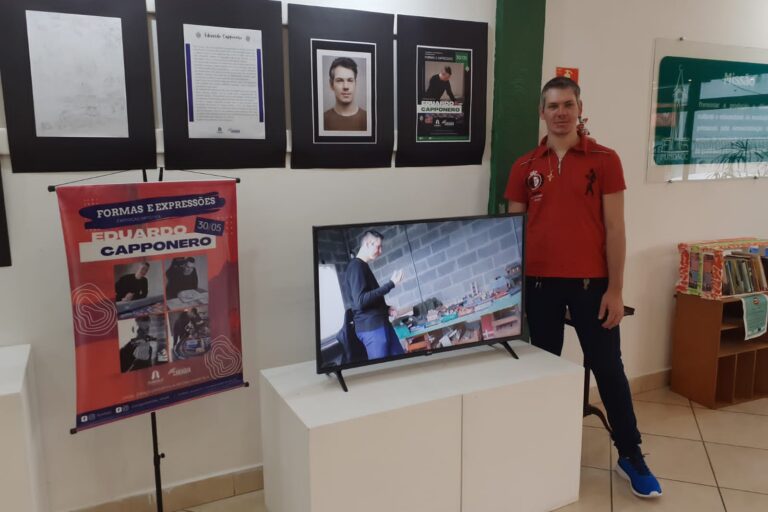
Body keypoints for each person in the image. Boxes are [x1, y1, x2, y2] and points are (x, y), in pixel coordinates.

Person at [504, 76, 662, 499]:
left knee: (608, 368)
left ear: (579, 109)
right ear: (542, 112)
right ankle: (544, 449)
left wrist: (616, 290)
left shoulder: (605, 160)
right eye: (553, 106)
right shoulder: (524, 166)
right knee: (545, 367)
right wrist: (515, 293)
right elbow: (512, 233)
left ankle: (631, 454)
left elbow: (616, 229)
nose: (561, 113)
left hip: (593, 287)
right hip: (539, 285)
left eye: (568, 105)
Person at [345, 230, 405, 359]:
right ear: (368, 243)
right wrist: (391, 284)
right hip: (372, 329)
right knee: (382, 369)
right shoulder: (356, 267)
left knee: (401, 362)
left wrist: (386, 309)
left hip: (381, 324)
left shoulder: (363, 266)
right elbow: (360, 301)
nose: (380, 251)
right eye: (378, 247)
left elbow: (369, 298)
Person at [323, 57, 367, 131]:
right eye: (339, 80)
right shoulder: (322, 120)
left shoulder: (368, 118)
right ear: (331, 84)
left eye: (350, 80)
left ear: (355, 83)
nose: (346, 87)